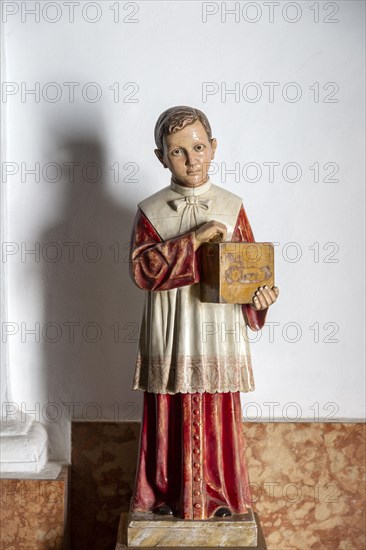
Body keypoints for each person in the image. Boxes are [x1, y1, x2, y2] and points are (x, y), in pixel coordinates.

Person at [129, 106, 279, 521]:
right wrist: (193, 240)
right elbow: (143, 270)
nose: (192, 160)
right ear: (161, 156)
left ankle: (222, 495)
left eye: (198, 147)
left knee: (216, 406)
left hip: (218, 328)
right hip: (172, 328)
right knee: (169, 406)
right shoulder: (151, 210)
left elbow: (247, 268)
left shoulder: (232, 208)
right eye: (178, 152)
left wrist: (259, 298)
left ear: (213, 148)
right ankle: (164, 494)